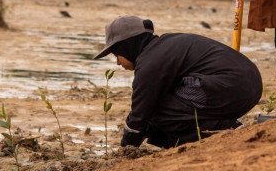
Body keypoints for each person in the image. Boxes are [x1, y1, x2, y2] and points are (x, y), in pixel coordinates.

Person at [94, 15, 263, 149]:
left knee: (156, 110)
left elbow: (139, 115)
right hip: (247, 87)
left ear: (127, 46)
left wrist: (126, 149)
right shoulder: (163, 46)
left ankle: (225, 129)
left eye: (117, 55)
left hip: (231, 87)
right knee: (163, 110)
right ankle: (194, 138)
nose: (117, 62)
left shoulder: (149, 63)